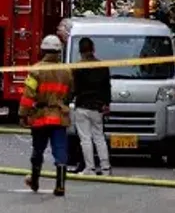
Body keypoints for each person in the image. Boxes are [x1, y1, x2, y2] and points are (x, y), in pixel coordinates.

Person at [19, 35, 74, 196]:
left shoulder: (36, 70)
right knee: (60, 150)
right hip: (59, 116)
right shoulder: (67, 71)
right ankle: (60, 186)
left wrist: (23, 114)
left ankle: (35, 180)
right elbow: (70, 93)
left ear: (43, 50)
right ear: (59, 51)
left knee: (38, 150)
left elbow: (28, 95)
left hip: (40, 115)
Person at [72, 37, 112, 175]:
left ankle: (90, 168)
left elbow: (74, 89)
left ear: (80, 51)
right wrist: (107, 103)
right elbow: (107, 87)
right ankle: (106, 167)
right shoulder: (102, 67)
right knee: (99, 137)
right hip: (97, 107)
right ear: (93, 49)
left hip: (82, 105)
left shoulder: (77, 67)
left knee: (85, 139)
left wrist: (67, 101)